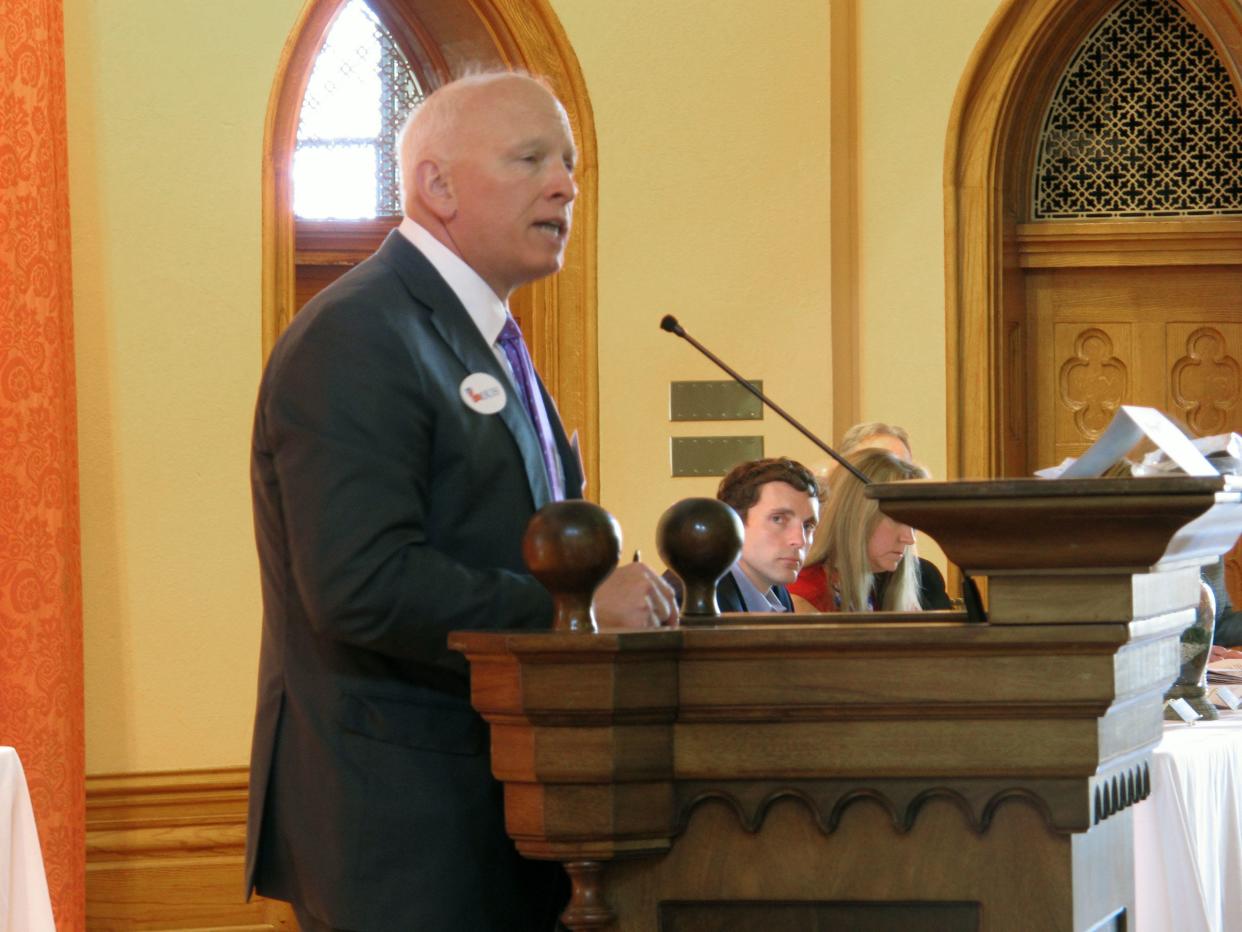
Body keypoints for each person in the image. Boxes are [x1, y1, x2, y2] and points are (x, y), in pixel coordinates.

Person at [245, 72, 676, 932]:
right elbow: (361, 584)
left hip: (502, 805)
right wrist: (581, 605)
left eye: (570, 164)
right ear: (436, 186)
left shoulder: (485, 338)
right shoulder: (361, 334)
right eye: (530, 160)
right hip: (403, 827)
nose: (565, 184)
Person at [667, 458, 819, 612]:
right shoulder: (689, 597)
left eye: (808, 526)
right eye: (778, 519)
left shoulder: (779, 593)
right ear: (732, 524)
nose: (799, 540)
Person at [789, 448, 928, 613]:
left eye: (912, 523)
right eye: (896, 519)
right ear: (855, 516)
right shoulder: (803, 598)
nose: (909, 538)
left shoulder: (876, 585)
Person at [836, 421, 952, 610]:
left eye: (902, 466)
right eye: (878, 467)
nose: (897, 478)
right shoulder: (818, 582)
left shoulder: (926, 578)